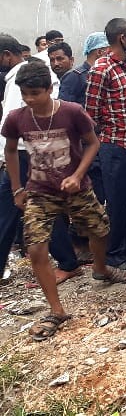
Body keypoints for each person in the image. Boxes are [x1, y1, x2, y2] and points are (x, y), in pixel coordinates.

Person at [3, 61, 126, 340]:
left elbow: (93, 143)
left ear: (50, 89)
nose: (29, 99)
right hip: (39, 192)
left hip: (77, 189)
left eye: (35, 93)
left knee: (100, 230)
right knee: (37, 248)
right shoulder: (17, 117)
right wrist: (17, 188)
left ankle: (100, 269)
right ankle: (56, 309)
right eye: (24, 93)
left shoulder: (72, 112)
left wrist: (77, 174)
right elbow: (11, 150)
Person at [85, 18, 126, 269]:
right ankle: (113, 255)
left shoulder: (124, 65)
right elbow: (90, 113)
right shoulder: (101, 69)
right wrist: (107, 136)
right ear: (122, 39)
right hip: (115, 147)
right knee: (117, 202)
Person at [0, 34, 61, 284]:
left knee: (9, 211)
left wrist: (5, 158)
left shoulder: (20, 76)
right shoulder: (33, 72)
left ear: (6, 55)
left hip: (25, 154)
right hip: (35, 151)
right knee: (41, 207)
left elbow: (12, 122)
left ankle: (67, 260)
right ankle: (67, 259)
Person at [60, 33, 107, 105]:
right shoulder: (75, 76)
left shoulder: (104, 74)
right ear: (100, 52)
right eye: (110, 52)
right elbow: (65, 108)